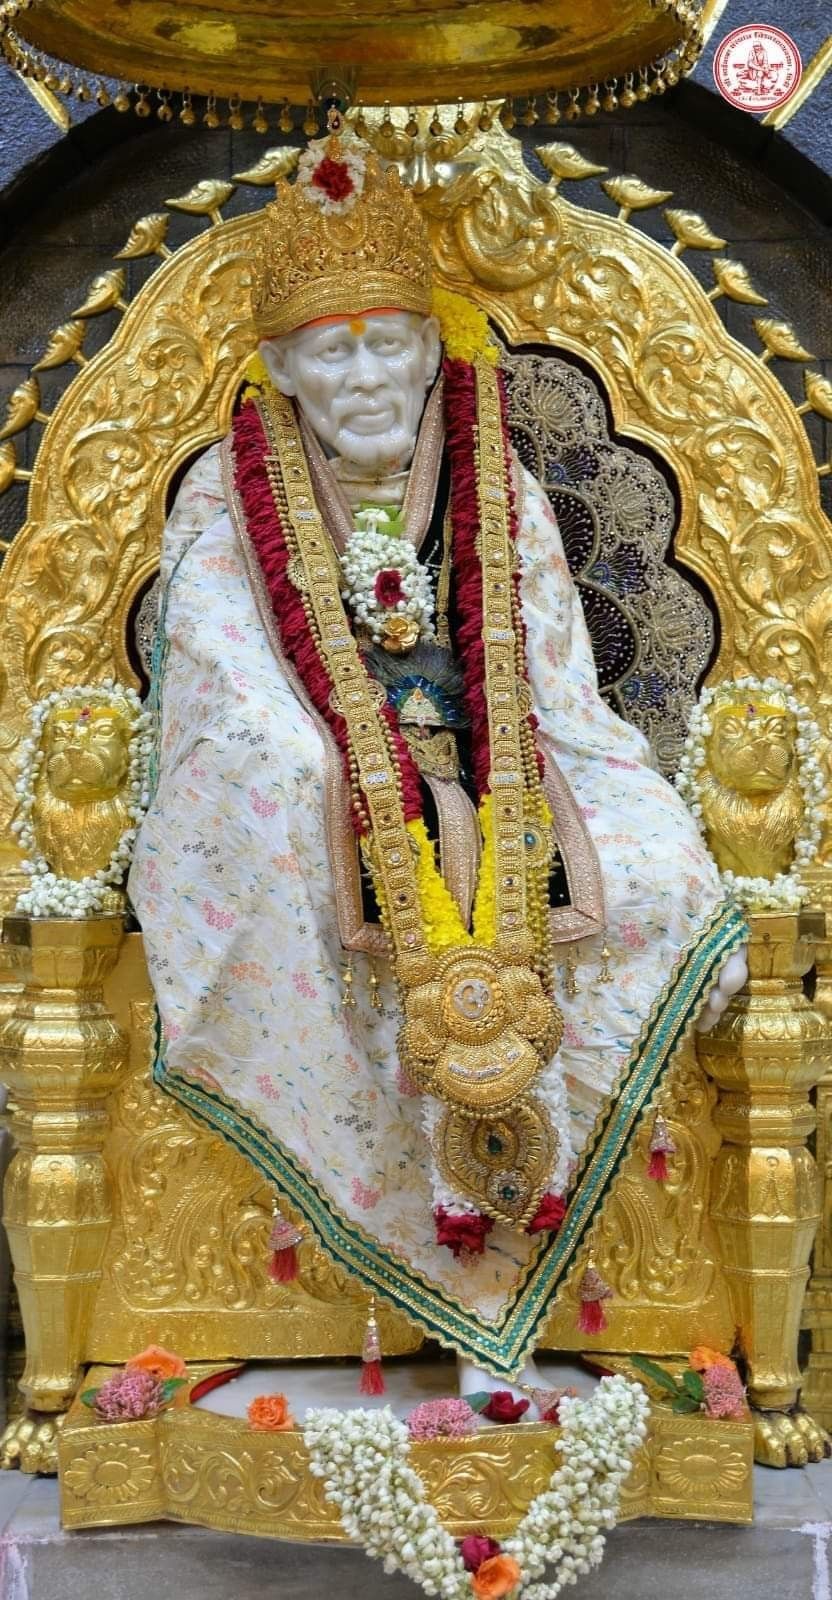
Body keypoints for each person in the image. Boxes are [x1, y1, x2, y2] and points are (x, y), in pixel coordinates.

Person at [130, 124, 747, 1391]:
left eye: (387, 347)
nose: (363, 379)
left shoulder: (491, 478)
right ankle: (417, 1257)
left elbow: (554, 666)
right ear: (284, 371)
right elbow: (227, 687)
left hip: (507, 760)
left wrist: (494, 773)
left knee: (659, 875)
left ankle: (531, 1256)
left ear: (431, 354)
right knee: (288, 843)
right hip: (315, 786)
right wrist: (351, 776)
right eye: (332, 352)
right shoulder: (220, 492)